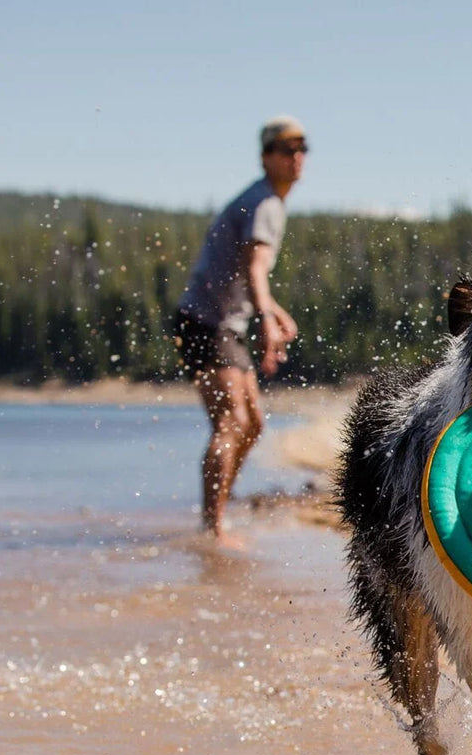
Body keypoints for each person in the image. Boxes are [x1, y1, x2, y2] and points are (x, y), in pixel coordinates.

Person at [173, 115, 308, 547]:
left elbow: (250, 274)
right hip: (207, 324)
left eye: (302, 148)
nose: (296, 157)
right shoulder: (265, 203)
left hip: (221, 323)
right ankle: (212, 528)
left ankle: (217, 516)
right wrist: (266, 318)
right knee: (232, 422)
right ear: (266, 156)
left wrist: (272, 310)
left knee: (251, 426)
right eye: (286, 149)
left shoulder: (267, 201)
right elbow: (254, 268)